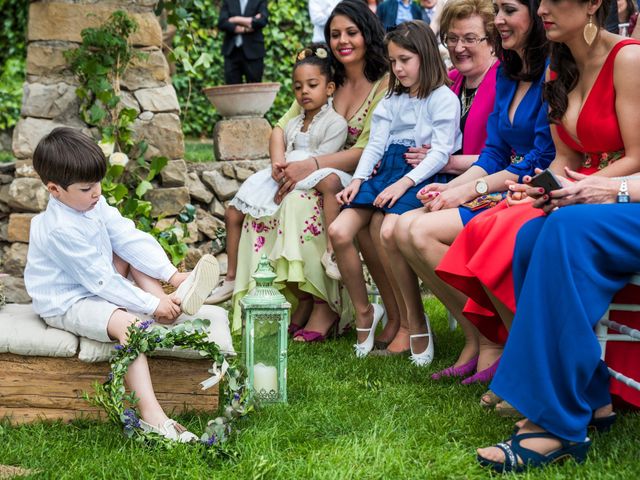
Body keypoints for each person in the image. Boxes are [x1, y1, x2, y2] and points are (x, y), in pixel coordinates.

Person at [435, 0, 640, 401]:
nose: (542, 8)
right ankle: (518, 358)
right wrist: (540, 188)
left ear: (593, 3)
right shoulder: (557, 64)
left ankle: (533, 371)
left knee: (527, 231)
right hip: (576, 188)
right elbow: (565, 159)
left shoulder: (627, 59)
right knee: (491, 224)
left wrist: (576, 190)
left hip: (620, 189)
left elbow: (636, 156)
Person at [23, 128, 222, 442]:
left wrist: (171, 275)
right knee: (130, 326)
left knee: (127, 249)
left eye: (99, 184)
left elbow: (129, 238)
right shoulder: (58, 228)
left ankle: (168, 304)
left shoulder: (91, 204)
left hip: (97, 279)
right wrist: (146, 303)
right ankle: (153, 417)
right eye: (87, 187)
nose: (97, 193)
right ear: (54, 189)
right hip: (69, 300)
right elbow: (100, 280)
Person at [395, 0, 554, 381]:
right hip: (500, 182)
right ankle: (481, 335)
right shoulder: (508, 74)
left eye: (508, 11)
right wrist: (450, 189)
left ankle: (496, 339)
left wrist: (468, 190)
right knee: (404, 227)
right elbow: (495, 151)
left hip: (530, 187)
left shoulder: (552, 72)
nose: (499, 20)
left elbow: (539, 157)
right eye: (496, 11)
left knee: (419, 230)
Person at [226, 0, 391, 342]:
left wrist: (311, 165)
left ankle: (325, 303)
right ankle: (297, 297)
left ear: (367, 34)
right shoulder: (323, 77)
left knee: (300, 205)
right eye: (334, 34)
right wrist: (280, 164)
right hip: (307, 172)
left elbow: (367, 149)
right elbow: (280, 127)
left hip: (358, 175)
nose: (342, 41)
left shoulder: (383, 84)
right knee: (265, 208)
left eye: (351, 33)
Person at [330, 20, 461, 361]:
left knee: (383, 228)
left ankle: (414, 322)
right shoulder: (392, 99)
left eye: (405, 59)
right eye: (393, 61)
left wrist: (405, 182)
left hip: (417, 173)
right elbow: (374, 145)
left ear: (425, 56)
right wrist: (358, 180)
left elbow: (440, 152)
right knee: (339, 230)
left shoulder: (442, 98)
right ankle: (366, 312)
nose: (398, 68)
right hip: (385, 168)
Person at [383, 0, 498, 359]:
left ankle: (490, 333)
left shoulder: (503, 82)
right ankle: (467, 332)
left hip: (490, 187)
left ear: (492, 40)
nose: (459, 47)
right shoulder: (449, 83)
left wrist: (451, 163)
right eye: (451, 38)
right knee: (388, 228)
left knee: (404, 229)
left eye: (470, 38)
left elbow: (508, 155)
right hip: (446, 183)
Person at [221, 44, 348, 306]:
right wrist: (279, 169)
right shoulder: (292, 123)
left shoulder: (335, 123)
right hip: (288, 172)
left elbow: (323, 163)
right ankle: (231, 276)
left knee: (328, 182)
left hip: (315, 172)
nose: (304, 92)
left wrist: (293, 174)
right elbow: (286, 150)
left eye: (312, 85)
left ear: (330, 88)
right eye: (298, 87)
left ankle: (331, 252)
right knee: (233, 210)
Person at [218, 0, 269, 84]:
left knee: (254, 88)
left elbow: (262, 21)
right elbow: (222, 22)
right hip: (232, 52)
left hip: (254, 52)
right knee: (232, 90)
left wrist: (235, 19)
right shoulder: (228, 1)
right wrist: (247, 25)